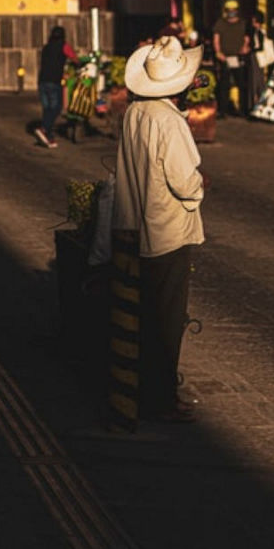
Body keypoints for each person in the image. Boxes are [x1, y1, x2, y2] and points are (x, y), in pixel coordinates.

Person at [109, 35, 207, 430]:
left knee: (141, 317)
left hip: (131, 226)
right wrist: (202, 185)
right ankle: (160, 398)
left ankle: (138, 394)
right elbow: (184, 181)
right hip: (165, 231)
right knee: (166, 321)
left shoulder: (135, 113)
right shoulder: (169, 121)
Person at [35, 25, 77, 148]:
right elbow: (74, 59)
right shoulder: (64, 46)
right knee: (56, 108)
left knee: (47, 109)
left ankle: (48, 136)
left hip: (42, 81)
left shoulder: (46, 47)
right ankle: (44, 129)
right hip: (54, 81)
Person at [211, 0, 249, 117]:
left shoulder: (242, 23)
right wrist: (218, 52)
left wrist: (245, 47)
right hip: (225, 57)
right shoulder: (221, 23)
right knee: (224, 85)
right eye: (229, 10)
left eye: (234, 10)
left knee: (242, 84)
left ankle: (243, 109)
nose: (231, 12)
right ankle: (223, 110)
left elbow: (247, 38)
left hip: (239, 57)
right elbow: (216, 39)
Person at [245, 10, 273, 113]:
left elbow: (259, 47)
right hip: (257, 58)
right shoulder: (259, 31)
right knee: (258, 80)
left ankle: (256, 105)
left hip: (256, 58)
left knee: (256, 80)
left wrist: (250, 49)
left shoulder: (259, 32)